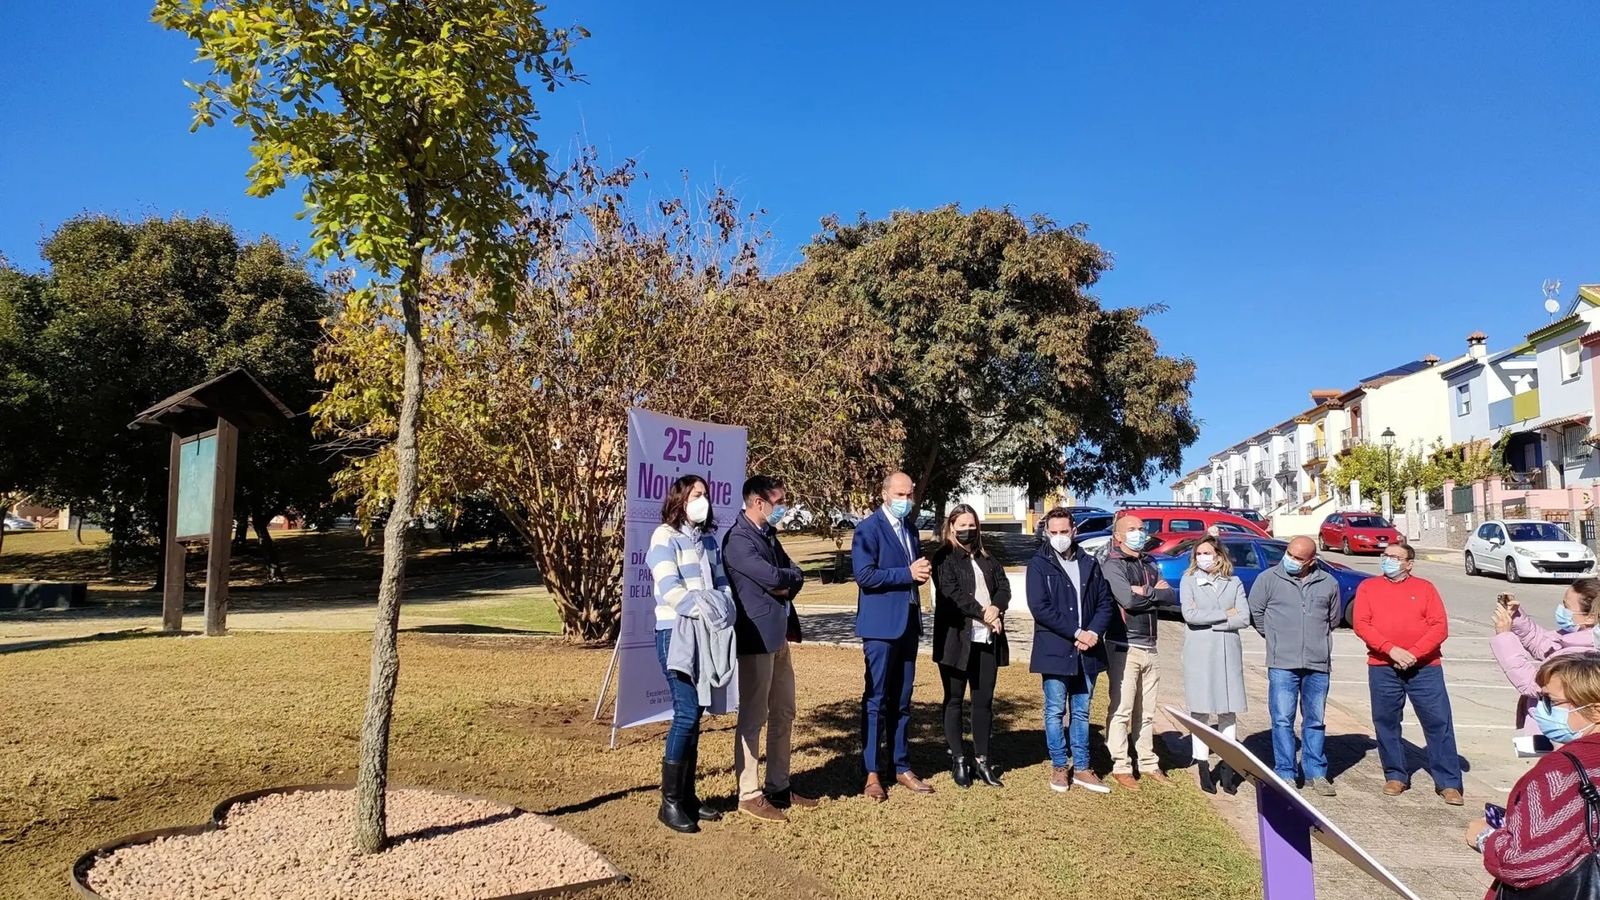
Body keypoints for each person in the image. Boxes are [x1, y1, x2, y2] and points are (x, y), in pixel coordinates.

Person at [1467, 652, 1600, 897]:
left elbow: (1522, 863)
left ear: (1595, 710)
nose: (1541, 709)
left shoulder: (1561, 771)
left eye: (1551, 701)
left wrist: (1484, 837)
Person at [722, 475, 816, 822]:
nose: (783, 507)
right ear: (758, 502)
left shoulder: (768, 535)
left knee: (784, 711)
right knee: (753, 716)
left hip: (779, 638)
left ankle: (779, 784)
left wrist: (784, 582)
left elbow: (794, 574)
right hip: (756, 640)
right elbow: (775, 578)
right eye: (779, 502)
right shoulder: (737, 540)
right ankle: (749, 793)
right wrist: (782, 581)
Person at [647, 474, 733, 833]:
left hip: (707, 634)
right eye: (697, 494)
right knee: (685, 712)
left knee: (696, 714)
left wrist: (723, 608)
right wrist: (707, 610)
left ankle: (688, 796)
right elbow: (670, 590)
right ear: (680, 498)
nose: (704, 501)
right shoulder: (664, 536)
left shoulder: (708, 541)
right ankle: (669, 803)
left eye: (706, 495)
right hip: (676, 633)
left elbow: (723, 584)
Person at [1351, 543, 1463, 805]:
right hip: (1382, 665)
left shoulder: (1425, 588)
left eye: (1395, 557)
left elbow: (1439, 627)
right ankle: (1395, 774)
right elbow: (1362, 624)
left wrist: (1414, 653)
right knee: (1386, 721)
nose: (1388, 560)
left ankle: (1448, 782)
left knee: (1438, 722)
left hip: (1424, 667)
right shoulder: (1368, 587)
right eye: (1385, 555)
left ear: (1409, 563)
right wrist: (1390, 650)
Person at [852, 472, 934, 801]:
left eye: (910, 494)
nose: (906, 500)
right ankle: (872, 772)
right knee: (876, 700)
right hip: (880, 628)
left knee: (902, 700)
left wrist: (918, 576)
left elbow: (910, 574)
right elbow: (864, 575)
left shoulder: (910, 529)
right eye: (900, 494)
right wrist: (907, 574)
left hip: (908, 625)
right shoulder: (868, 529)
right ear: (884, 494)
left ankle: (901, 766)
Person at [1027, 507, 1114, 794]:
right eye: (1053, 532)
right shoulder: (1039, 564)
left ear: (1074, 531)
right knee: (1054, 710)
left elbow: (1104, 603)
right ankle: (1059, 766)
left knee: (1081, 711)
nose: (1059, 537)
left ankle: (1084, 767)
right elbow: (1040, 608)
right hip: (1055, 649)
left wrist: (1092, 633)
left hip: (1087, 650)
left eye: (1064, 531)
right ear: (1046, 532)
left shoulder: (1089, 563)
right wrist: (1076, 632)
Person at [1248, 535, 1342, 796]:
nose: (1291, 560)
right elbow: (1256, 613)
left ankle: (1316, 772)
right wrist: (1275, 638)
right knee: (1282, 719)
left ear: (1311, 560)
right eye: (1289, 553)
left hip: (1317, 663)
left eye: (1298, 558)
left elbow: (1333, 619)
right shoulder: (1267, 579)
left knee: (1315, 720)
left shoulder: (1329, 583)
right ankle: (1285, 772)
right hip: (1282, 663)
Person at [932, 504, 1011, 788]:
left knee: (983, 701)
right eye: (962, 525)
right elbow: (951, 593)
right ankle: (958, 760)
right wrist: (983, 613)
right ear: (952, 527)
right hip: (956, 639)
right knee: (954, 699)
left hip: (986, 638)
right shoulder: (943, 557)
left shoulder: (987, 557)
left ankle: (982, 760)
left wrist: (996, 607)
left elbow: (1004, 587)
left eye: (972, 525)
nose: (968, 530)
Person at [1101, 512, 1174, 790]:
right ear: (1118, 536)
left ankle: (1148, 761)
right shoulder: (1113, 565)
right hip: (1124, 644)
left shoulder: (1150, 562)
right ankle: (1121, 764)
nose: (1139, 533)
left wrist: (1146, 591)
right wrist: (1152, 592)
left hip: (1151, 645)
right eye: (1132, 529)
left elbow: (1170, 596)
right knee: (1122, 708)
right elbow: (1128, 601)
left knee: (1147, 710)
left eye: (1142, 528)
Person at [1179, 535, 1249, 795]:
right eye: (1199, 554)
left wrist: (1213, 621)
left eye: (1207, 553)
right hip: (1199, 651)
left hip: (1227, 650)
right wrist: (1225, 614)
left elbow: (1244, 617)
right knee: (1200, 710)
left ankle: (1228, 765)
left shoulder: (1233, 582)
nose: (1203, 558)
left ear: (1219, 555)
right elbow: (1190, 615)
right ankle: (1202, 764)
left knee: (1227, 709)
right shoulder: (1189, 580)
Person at [1492, 579, 1600, 738]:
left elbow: (1533, 684)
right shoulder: (1572, 638)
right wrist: (1516, 617)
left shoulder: (1584, 653)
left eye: (1567, 607)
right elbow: (1542, 644)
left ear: (1590, 618)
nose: (1561, 610)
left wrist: (1504, 637)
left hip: (1561, 734)